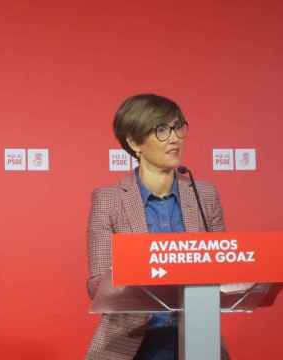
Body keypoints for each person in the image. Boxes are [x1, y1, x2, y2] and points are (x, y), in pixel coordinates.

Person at [85, 94, 229, 360]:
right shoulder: (110, 199)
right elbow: (97, 284)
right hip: (130, 345)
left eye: (178, 127)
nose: (175, 138)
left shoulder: (204, 194)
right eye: (161, 130)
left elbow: (223, 265)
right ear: (134, 142)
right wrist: (140, 276)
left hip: (199, 339)